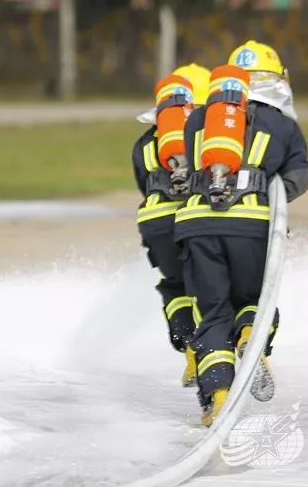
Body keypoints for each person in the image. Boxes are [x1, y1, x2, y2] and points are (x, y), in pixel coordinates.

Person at [175, 41, 308, 427]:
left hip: (196, 224)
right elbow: (299, 177)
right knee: (254, 298)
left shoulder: (198, 119)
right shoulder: (283, 125)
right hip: (251, 224)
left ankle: (218, 399)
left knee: (213, 312)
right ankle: (251, 333)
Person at [132, 63, 210, 387]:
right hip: (194, 218)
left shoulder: (144, 144)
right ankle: (215, 353)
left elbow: (143, 184)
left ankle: (190, 350)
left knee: (174, 286)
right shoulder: (208, 135)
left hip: (154, 222)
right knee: (207, 286)